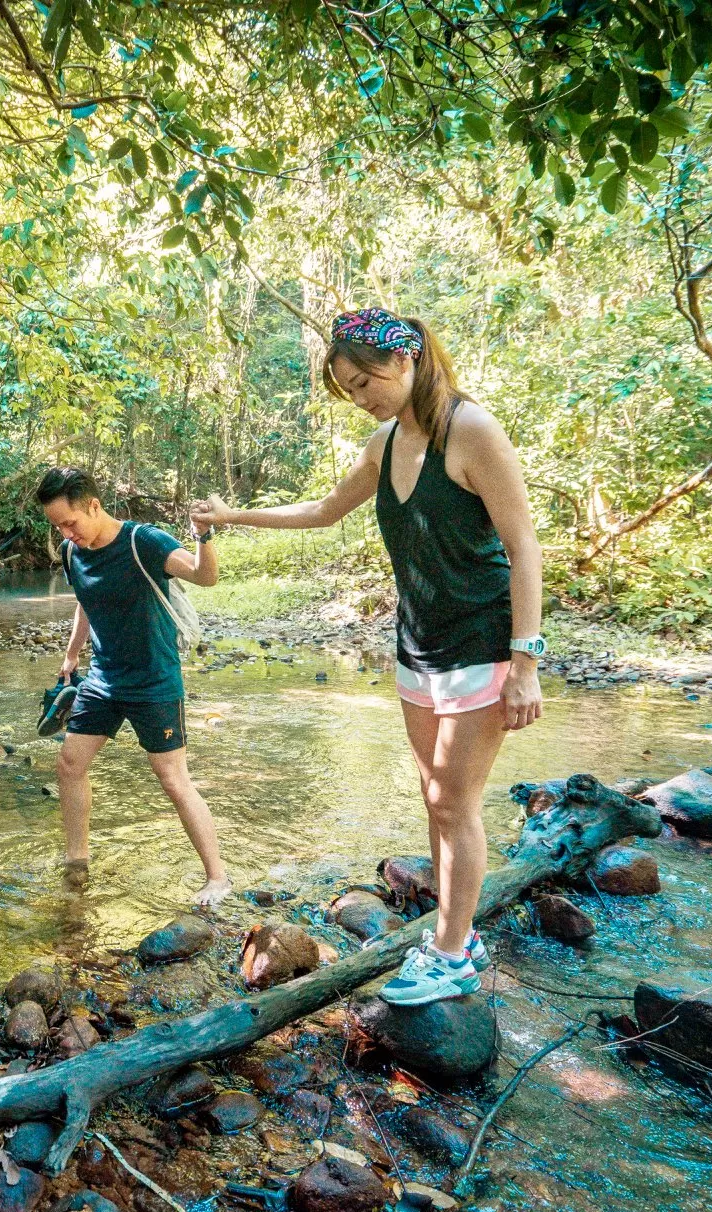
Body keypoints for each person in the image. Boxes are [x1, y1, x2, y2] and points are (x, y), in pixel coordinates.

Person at [192, 308, 545, 1004]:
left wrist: (526, 661)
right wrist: (232, 517)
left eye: (367, 380)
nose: (362, 397)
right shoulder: (385, 444)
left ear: (408, 358)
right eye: (349, 390)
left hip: (481, 643)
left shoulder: (471, 431)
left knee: (454, 801)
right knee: (434, 799)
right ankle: (455, 930)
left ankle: (450, 954)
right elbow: (324, 510)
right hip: (417, 646)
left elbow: (524, 545)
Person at [37, 467, 235, 905]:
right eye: (57, 527)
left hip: (153, 681)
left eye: (70, 523)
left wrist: (204, 536)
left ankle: (218, 877)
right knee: (70, 763)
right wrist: (72, 654)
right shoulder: (74, 553)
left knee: (172, 779)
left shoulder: (142, 541)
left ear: (93, 505)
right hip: (104, 679)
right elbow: (85, 604)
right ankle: (77, 860)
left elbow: (205, 577)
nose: (66, 534)